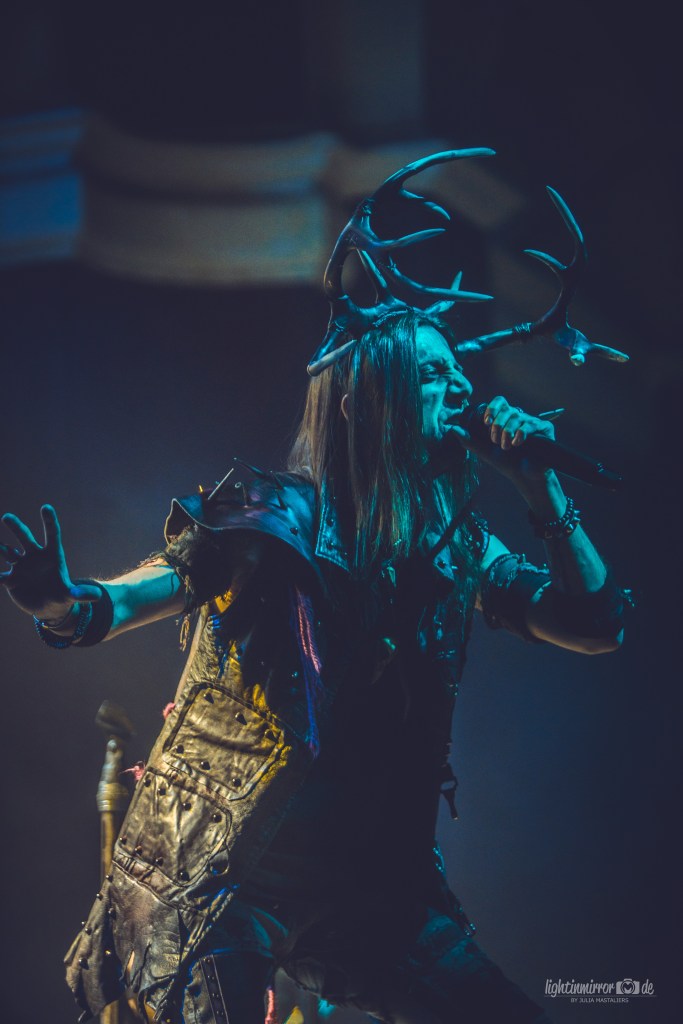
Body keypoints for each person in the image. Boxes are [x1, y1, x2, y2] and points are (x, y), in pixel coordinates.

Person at [1, 158, 625, 1024]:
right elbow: (149, 590)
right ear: (368, 396)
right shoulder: (273, 513)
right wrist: (66, 603)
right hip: (223, 873)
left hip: (366, 883)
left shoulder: (455, 546)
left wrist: (539, 488)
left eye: (457, 374)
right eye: (432, 374)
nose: (459, 389)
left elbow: (593, 626)